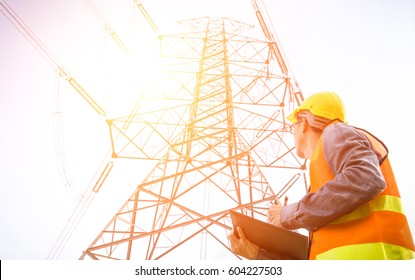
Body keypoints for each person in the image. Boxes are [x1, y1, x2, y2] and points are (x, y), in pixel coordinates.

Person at [228, 91, 415, 260]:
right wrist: (257, 255)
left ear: (303, 123)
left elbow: (365, 177)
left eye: (293, 125)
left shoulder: (335, 131)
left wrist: (287, 214)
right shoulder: (322, 188)